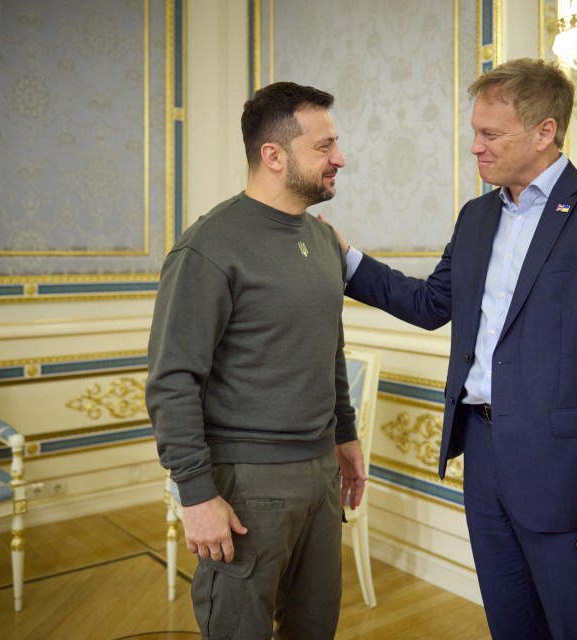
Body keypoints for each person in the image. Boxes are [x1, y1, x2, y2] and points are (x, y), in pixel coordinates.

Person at [338, 58, 577, 638]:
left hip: (567, 473)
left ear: (545, 132)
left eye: (490, 135)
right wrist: (347, 261)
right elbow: (429, 304)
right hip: (483, 454)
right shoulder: (476, 216)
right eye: (475, 133)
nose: (476, 149)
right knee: (511, 622)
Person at [145, 81, 366, 640]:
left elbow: (328, 346)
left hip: (320, 475)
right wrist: (195, 493)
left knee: (316, 627)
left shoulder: (321, 241)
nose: (340, 158)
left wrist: (344, 434)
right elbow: (172, 380)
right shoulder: (208, 248)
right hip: (247, 484)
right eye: (324, 146)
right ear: (273, 155)